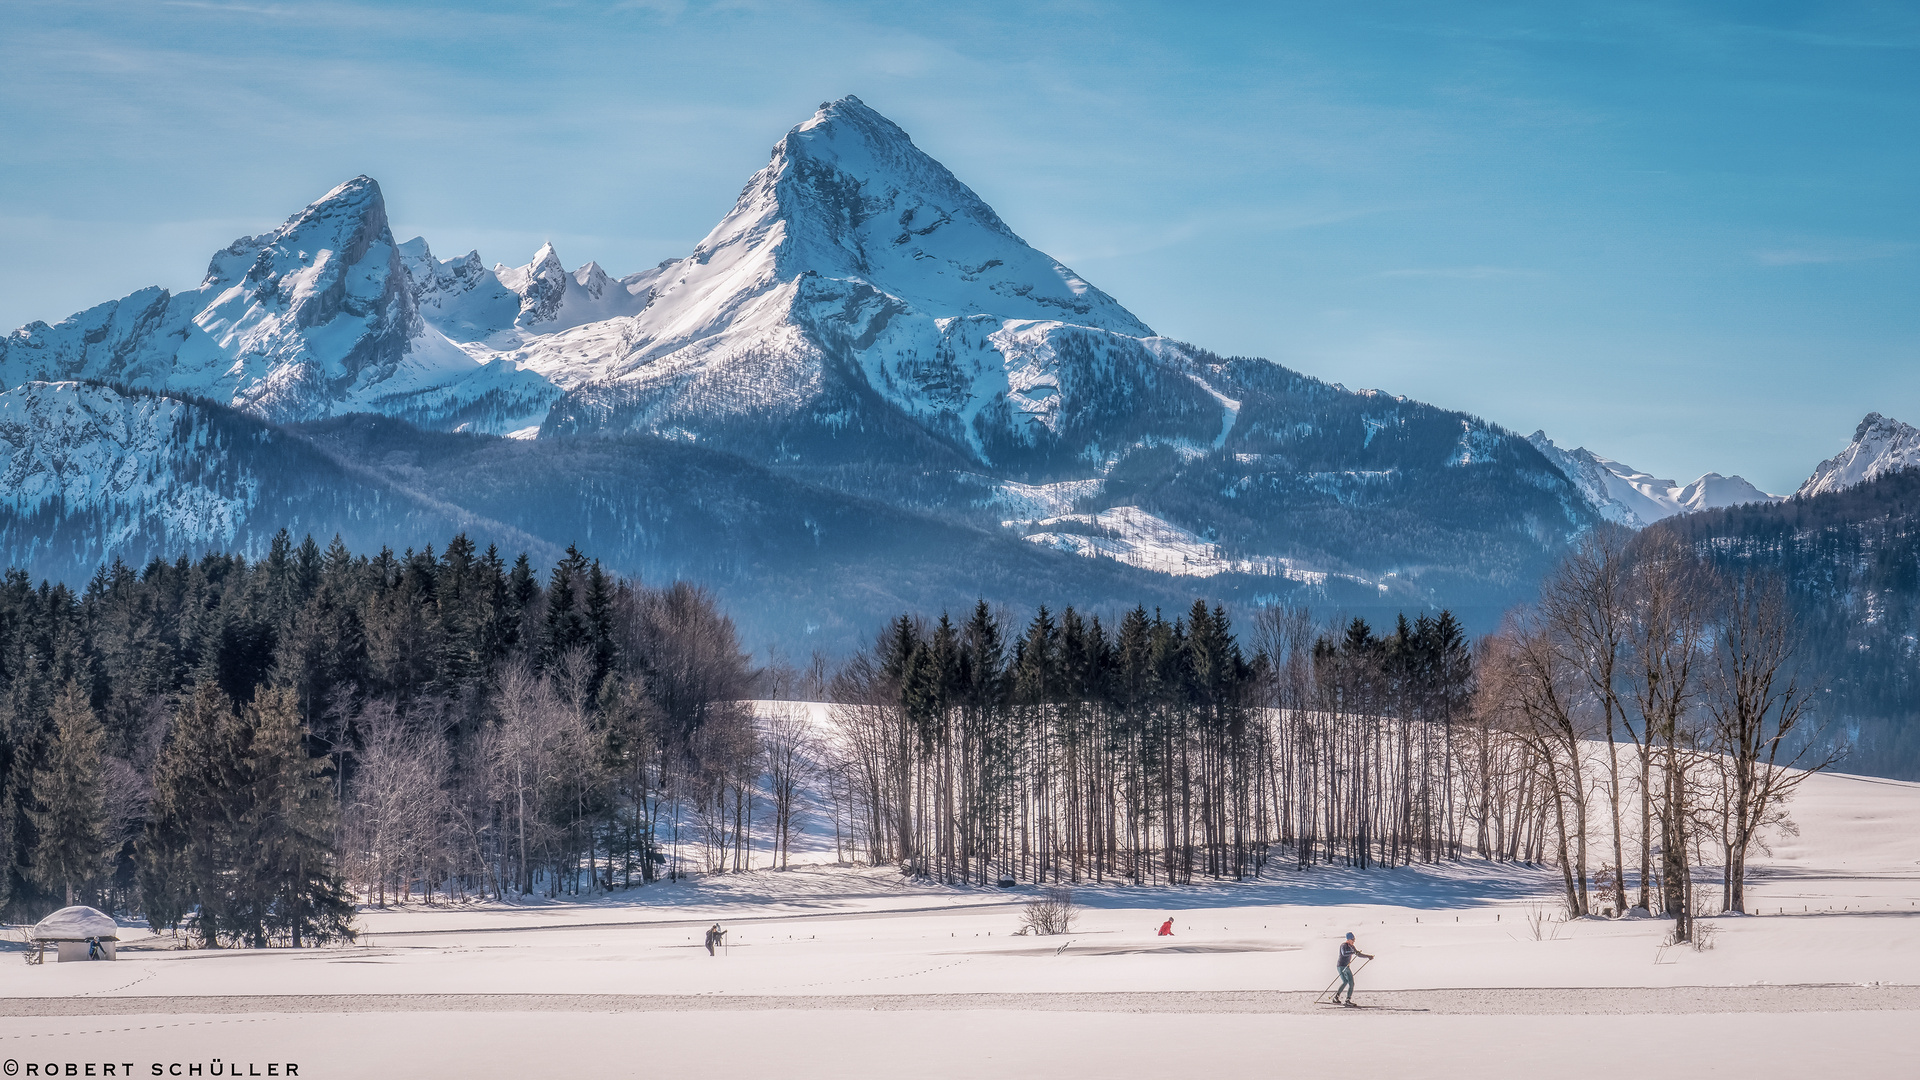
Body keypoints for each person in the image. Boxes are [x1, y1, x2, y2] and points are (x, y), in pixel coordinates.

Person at [1333, 932, 1373, 1006]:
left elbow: (1358, 954)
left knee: (1348, 982)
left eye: (1354, 940)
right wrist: (1353, 952)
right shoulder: (1343, 945)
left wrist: (1368, 956)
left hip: (1346, 966)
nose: (1353, 941)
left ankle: (1341, 998)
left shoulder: (1352, 947)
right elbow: (1344, 953)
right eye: (1352, 940)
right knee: (1347, 982)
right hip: (1341, 966)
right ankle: (1342, 999)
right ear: (1348, 939)